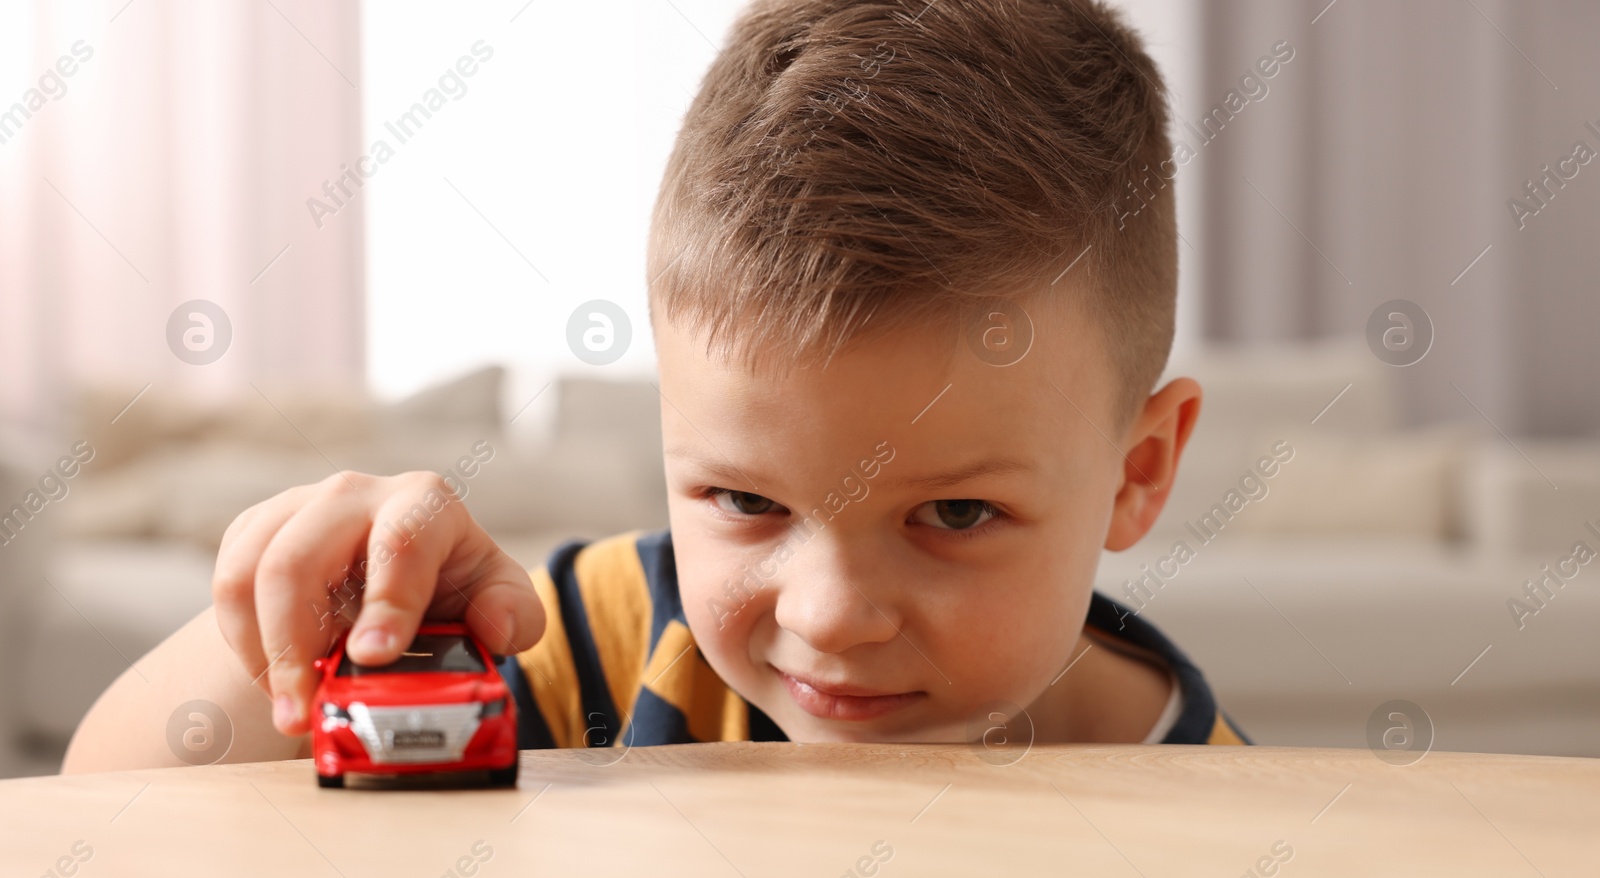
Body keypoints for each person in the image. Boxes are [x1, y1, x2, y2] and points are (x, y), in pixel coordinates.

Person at [63, 0, 1247, 775]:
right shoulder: (615, 642)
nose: (827, 617)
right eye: (745, 501)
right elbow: (105, 804)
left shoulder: (1222, 809)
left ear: (1137, 471)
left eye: (954, 513)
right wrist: (294, 634)